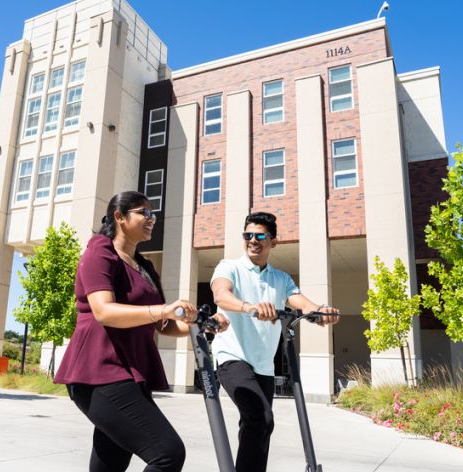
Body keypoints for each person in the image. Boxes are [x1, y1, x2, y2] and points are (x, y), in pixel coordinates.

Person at [54, 191, 228, 472]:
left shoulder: (145, 267)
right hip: (97, 373)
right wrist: (162, 310)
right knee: (167, 453)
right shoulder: (100, 252)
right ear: (120, 217)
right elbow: (104, 311)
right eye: (144, 213)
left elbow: (167, 325)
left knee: (110, 462)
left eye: (153, 214)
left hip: (130, 373)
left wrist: (202, 324)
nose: (151, 219)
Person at [210, 211, 339, 472]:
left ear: (273, 241)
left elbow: (301, 302)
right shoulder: (229, 267)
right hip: (232, 358)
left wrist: (321, 311)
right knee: (261, 418)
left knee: (256, 425)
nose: (253, 241)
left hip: (264, 366)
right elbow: (221, 296)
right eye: (248, 235)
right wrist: (249, 307)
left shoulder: (281, 279)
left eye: (260, 236)